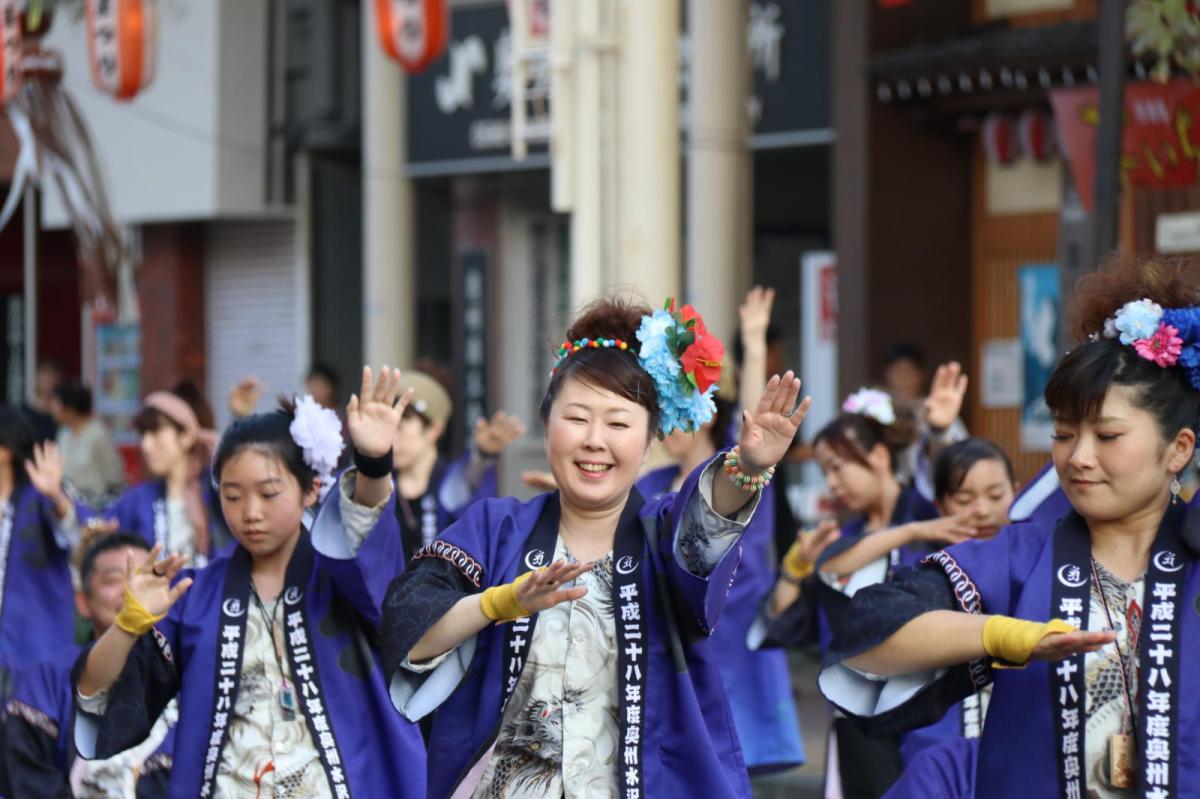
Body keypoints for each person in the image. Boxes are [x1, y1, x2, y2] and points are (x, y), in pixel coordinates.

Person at [381, 298, 809, 798]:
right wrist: (503, 602)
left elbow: (706, 522)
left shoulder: (662, 534)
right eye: (577, 418)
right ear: (547, 425)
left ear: (651, 439)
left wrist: (750, 467)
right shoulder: (494, 529)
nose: (594, 440)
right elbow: (410, 633)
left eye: (619, 424)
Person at [819, 255, 1200, 799]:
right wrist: (1003, 635)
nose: (1078, 458)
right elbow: (868, 636)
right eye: (1064, 435)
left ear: (1178, 448)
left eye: (1107, 436)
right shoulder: (1023, 556)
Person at [73, 367, 427, 798]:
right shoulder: (194, 595)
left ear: (311, 490)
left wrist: (373, 464)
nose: (251, 512)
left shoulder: (343, 580)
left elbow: (369, 541)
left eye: (269, 492)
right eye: (233, 496)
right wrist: (127, 626)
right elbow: (98, 698)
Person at [2, 532, 176, 798]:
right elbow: (25, 770)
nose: (132, 590)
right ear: (83, 602)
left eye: (145, 577)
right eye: (114, 580)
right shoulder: (48, 676)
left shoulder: (191, 674)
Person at [391, 370, 524, 563]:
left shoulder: (452, 481)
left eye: (401, 426)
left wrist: (484, 454)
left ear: (433, 430)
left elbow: (469, 479)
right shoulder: (378, 484)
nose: (391, 437)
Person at [83, 390, 228, 564]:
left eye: (156, 432)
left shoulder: (216, 491)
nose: (146, 445)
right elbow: (100, 524)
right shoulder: (137, 499)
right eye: (142, 434)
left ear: (186, 436)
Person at [0, 408, 81, 706]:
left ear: (6, 451)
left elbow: (75, 536)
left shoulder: (39, 498)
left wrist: (57, 498)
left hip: (34, 651)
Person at [52, 379, 126, 506]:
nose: (52, 409)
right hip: (67, 505)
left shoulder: (98, 434)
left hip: (94, 507)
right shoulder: (63, 434)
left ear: (69, 409)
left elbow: (114, 476)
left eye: (56, 405)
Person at [23, 359, 63, 444]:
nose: (47, 380)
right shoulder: (25, 410)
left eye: (52, 376)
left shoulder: (62, 409)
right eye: (44, 374)